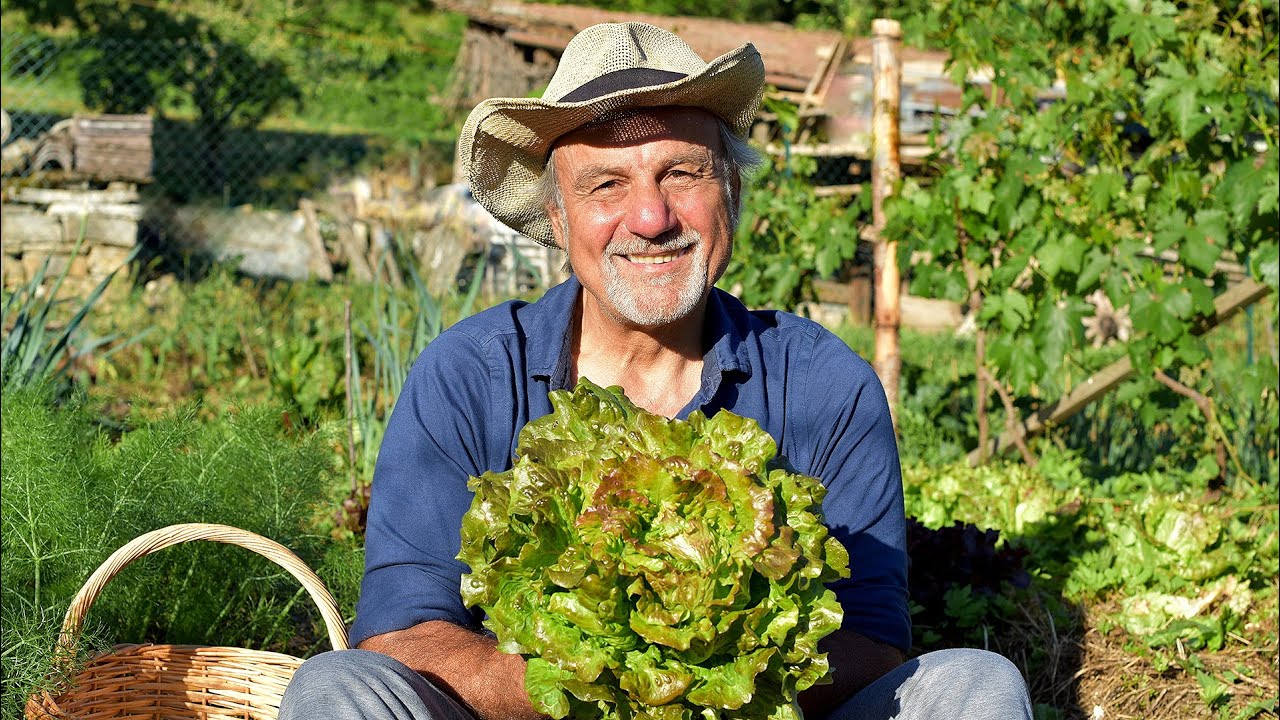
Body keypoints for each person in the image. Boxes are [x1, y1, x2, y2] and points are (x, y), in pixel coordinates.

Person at [281, 21, 1033, 720]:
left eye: (682, 173)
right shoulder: (470, 375)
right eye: (606, 184)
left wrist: (716, 675)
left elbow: (872, 642)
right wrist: (589, 684)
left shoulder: (823, 384)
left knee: (974, 686)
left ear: (730, 191)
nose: (650, 217)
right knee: (335, 689)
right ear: (557, 217)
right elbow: (402, 635)